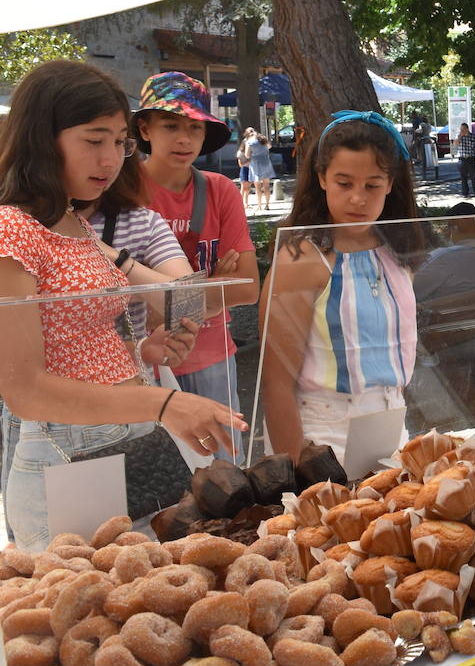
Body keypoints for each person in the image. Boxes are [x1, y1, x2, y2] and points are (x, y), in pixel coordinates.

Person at [0, 61, 244, 549]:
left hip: (124, 441)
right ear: (42, 138)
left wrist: (141, 354)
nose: (110, 159)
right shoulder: (13, 227)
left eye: (118, 142)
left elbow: (75, 339)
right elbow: (24, 388)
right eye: (94, 140)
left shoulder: (68, 220)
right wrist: (165, 401)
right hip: (69, 452)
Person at [259, 111, 424, 461]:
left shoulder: (396, 250)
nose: (358, 199)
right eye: (344, 183)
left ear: (391, 183)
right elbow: (276, 384)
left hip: (394, 423)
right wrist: (299, 474)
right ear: (322, 179)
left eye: (372, 185)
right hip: (323, 434)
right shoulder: (302, 257)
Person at [135, 71, 260, 462]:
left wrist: (163, 295)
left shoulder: (220, 190)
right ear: (145, 129)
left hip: (213, 359)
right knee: (158, 488)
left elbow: (248, 289)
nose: (184, 138)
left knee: (226, 475)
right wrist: (212, 281)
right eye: (170, 125)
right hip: (141, 362)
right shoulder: (120, 191)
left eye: (195, 127)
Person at [246, 127, 275, 210]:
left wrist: (254, 153)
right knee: (266, 185)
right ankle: (267, 204)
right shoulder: (263, 139)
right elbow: (269, 146)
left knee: (257, 186)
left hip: (256, 164)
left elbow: (247, 155)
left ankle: (259, 205)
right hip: (266, 162)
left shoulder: (250, 142)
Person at [454, 122, 475, 198]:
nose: (461, 130)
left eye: (463, 129)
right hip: (462, 159)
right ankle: (465, 193)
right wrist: (459, 137)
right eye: (461, 129)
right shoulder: (458, 136)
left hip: (471, 159)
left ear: (467, 129)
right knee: (463, 177)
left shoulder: (473, 137)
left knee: (473, 177)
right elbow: (455, 145)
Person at [236, 130, 253, 207]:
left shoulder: (252, 152)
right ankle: (239, 202)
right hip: (244, 169)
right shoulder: (240, 153)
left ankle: (246, 203)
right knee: (243, 186)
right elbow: (240, 165)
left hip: (251, 169)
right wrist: (248, 161)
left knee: (248, 187)